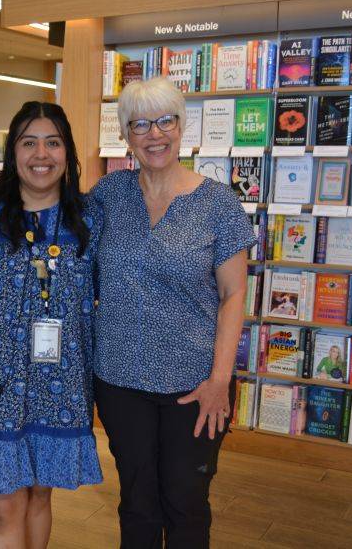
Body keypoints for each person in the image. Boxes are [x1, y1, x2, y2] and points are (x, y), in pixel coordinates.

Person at [91, 76, 256, 549]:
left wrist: (219, 381)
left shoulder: (218, 204)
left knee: (186, 505)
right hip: (120, 382)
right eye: (140, 124)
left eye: (166, 121)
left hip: (196, 385)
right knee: (137, 505)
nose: (155, 134)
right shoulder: (108, 196)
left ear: (182, 126)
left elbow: (233, 295)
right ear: (125, 135)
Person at [0, 101, 102, 548]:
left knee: (37, 496)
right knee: (4, 502)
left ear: (67, 152)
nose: (41, 154)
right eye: (28, 143)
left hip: (62, 380)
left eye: (53, 142)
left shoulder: (90, 218)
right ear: (12, 152)